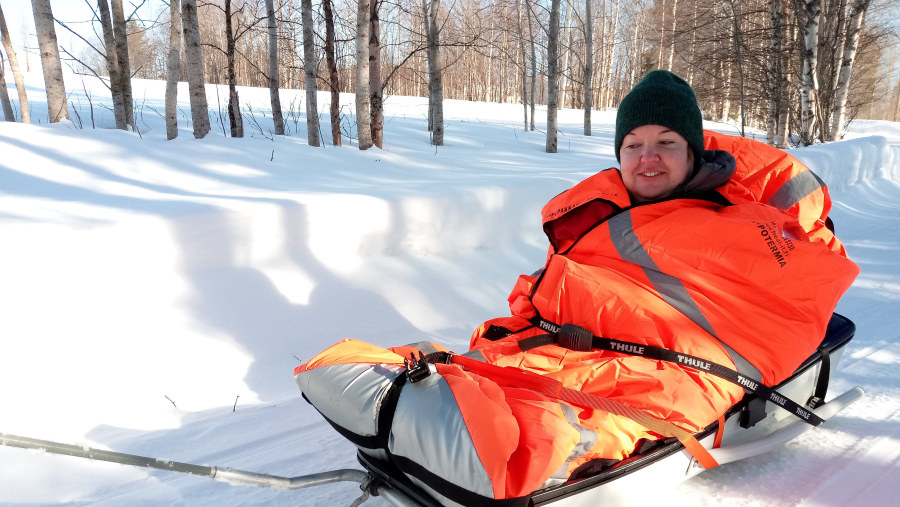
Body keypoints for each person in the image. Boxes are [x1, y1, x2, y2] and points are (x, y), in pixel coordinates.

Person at [296, 70, 860, 505]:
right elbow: (562, 292)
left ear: (693, 150)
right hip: (569, 343)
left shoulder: (750, 227)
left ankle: (480, 443)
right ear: (619, 153)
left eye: (666, 142)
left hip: (674, 364)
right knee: (473, 371)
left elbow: (776, 309)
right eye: (634, 143)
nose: (648, 157)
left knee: (531, 432)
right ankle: (445, 415)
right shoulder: (602, 213)